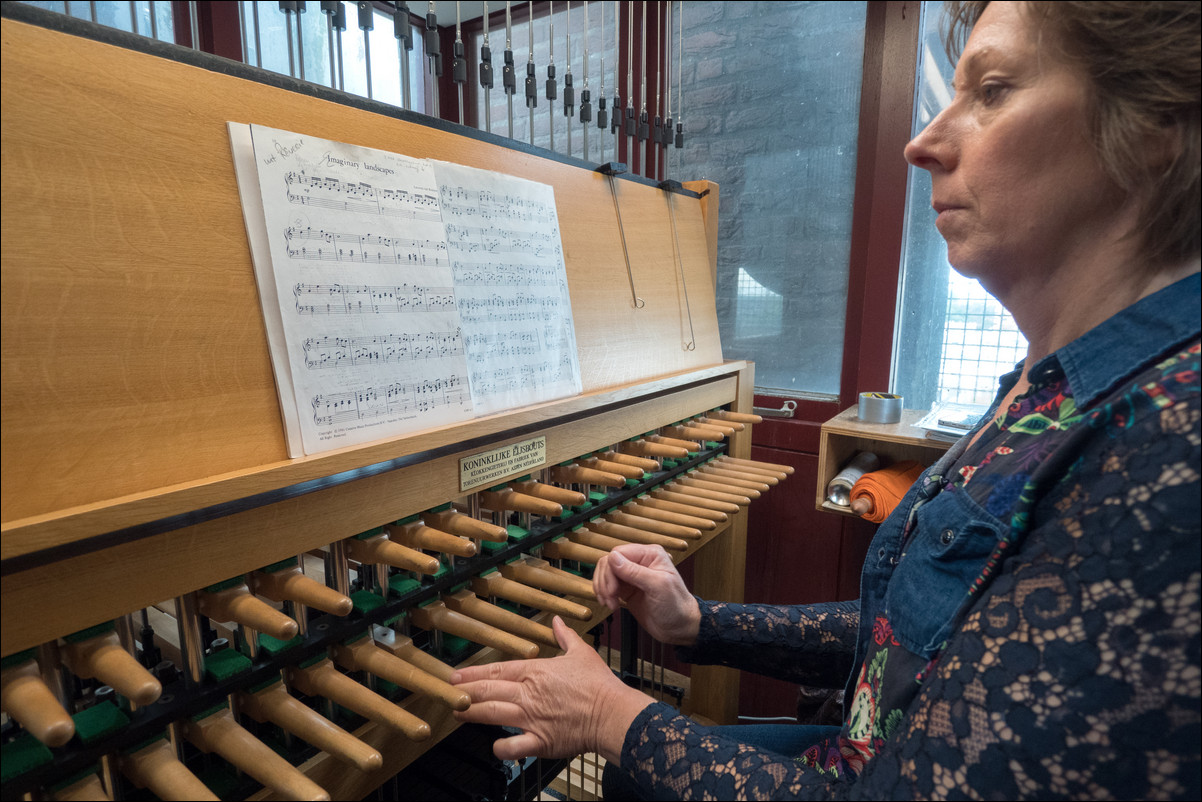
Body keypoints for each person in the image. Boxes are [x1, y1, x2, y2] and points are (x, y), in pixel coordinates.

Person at [451, 1, 1201, 797]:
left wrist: (612, 716)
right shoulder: (1049, 384)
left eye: (991, 90)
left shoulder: (1170, 438)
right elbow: (911, 639)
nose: (923, 143)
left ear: (1155, 124)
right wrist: (701, 623)